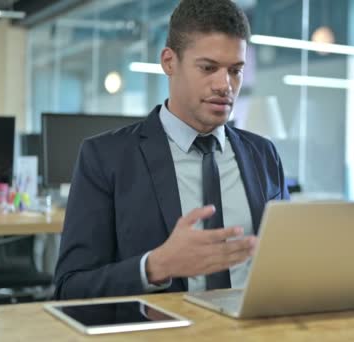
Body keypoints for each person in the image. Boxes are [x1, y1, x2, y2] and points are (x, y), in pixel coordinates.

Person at [54, 0, 289, 299]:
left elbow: (286, 263)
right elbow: (69, 289)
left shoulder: (263, 155)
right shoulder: (104, 158)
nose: (225, 85)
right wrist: (155, 266)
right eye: (208, 68)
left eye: (235, 71)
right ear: (169, 62)